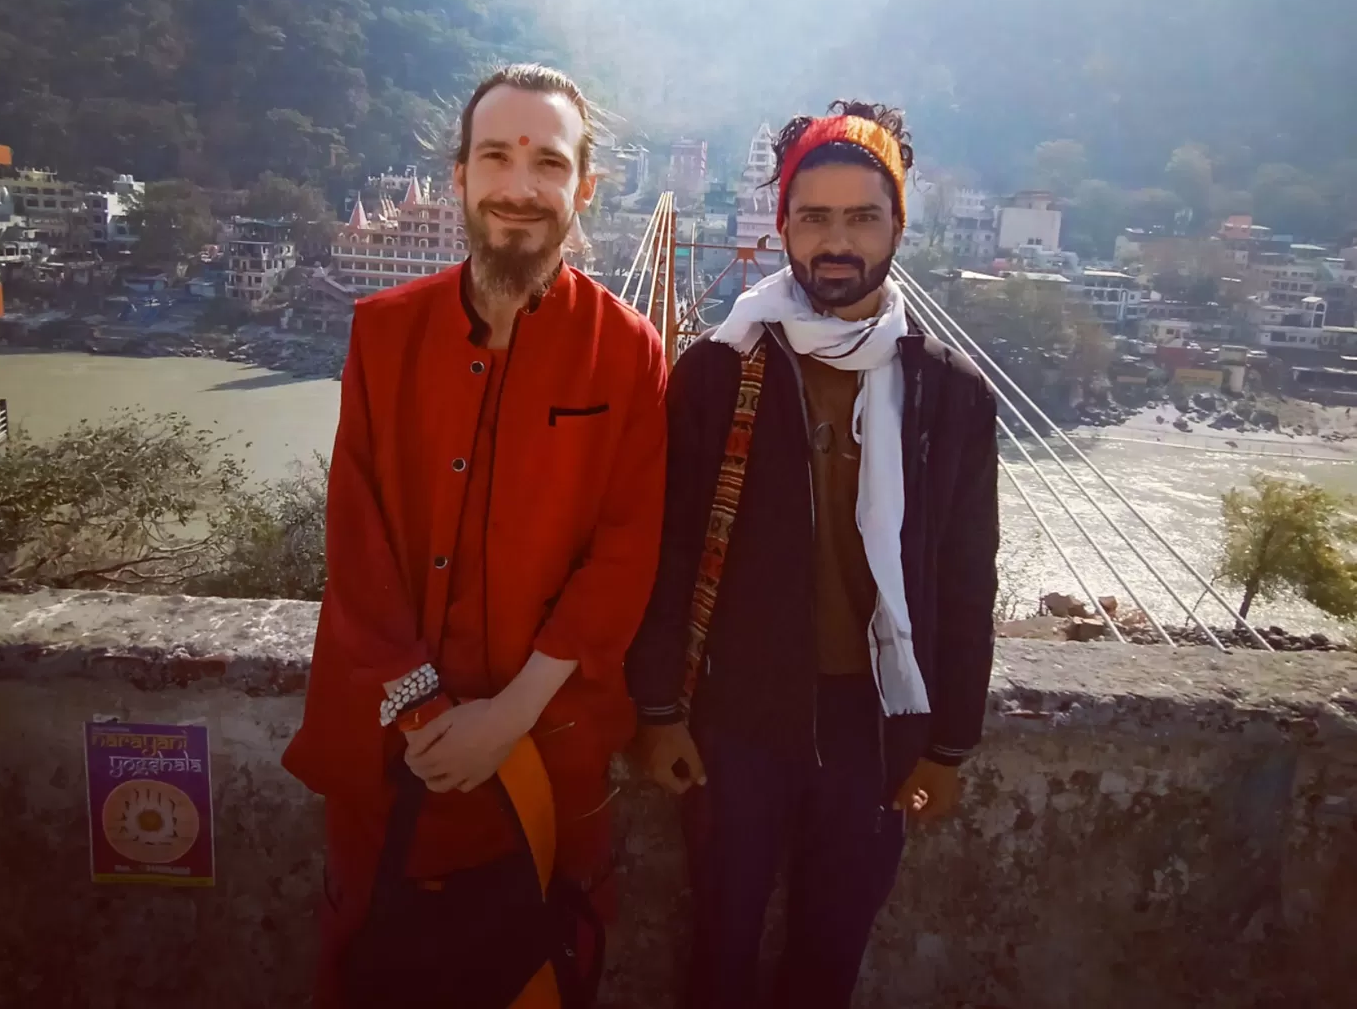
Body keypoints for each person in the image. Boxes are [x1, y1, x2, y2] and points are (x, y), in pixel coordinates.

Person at [284, 63, 668, 1006]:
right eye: (496, 156)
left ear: (584, 188)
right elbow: (358, 539)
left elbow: (624, 553)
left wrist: (507, 717)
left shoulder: (627, 352)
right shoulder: (383, 333)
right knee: (374, 962)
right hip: (390, 753)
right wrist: (422, 711)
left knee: (541, 966)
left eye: (548, 162)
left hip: (550, 752)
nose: (519, 186)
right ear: (458, 175)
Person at [627, 101, 999, 1009]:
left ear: (899, 225)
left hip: (879, 733)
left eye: (863, 217)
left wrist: (949, 746)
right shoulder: (723, 370)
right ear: (783, 225)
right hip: (737, 722)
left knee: (831, 954)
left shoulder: (948, 393)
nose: (838, 242)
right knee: (717, 943)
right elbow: (669, 547)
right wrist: (662, 711)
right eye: (815, 216)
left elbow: (964, 574)